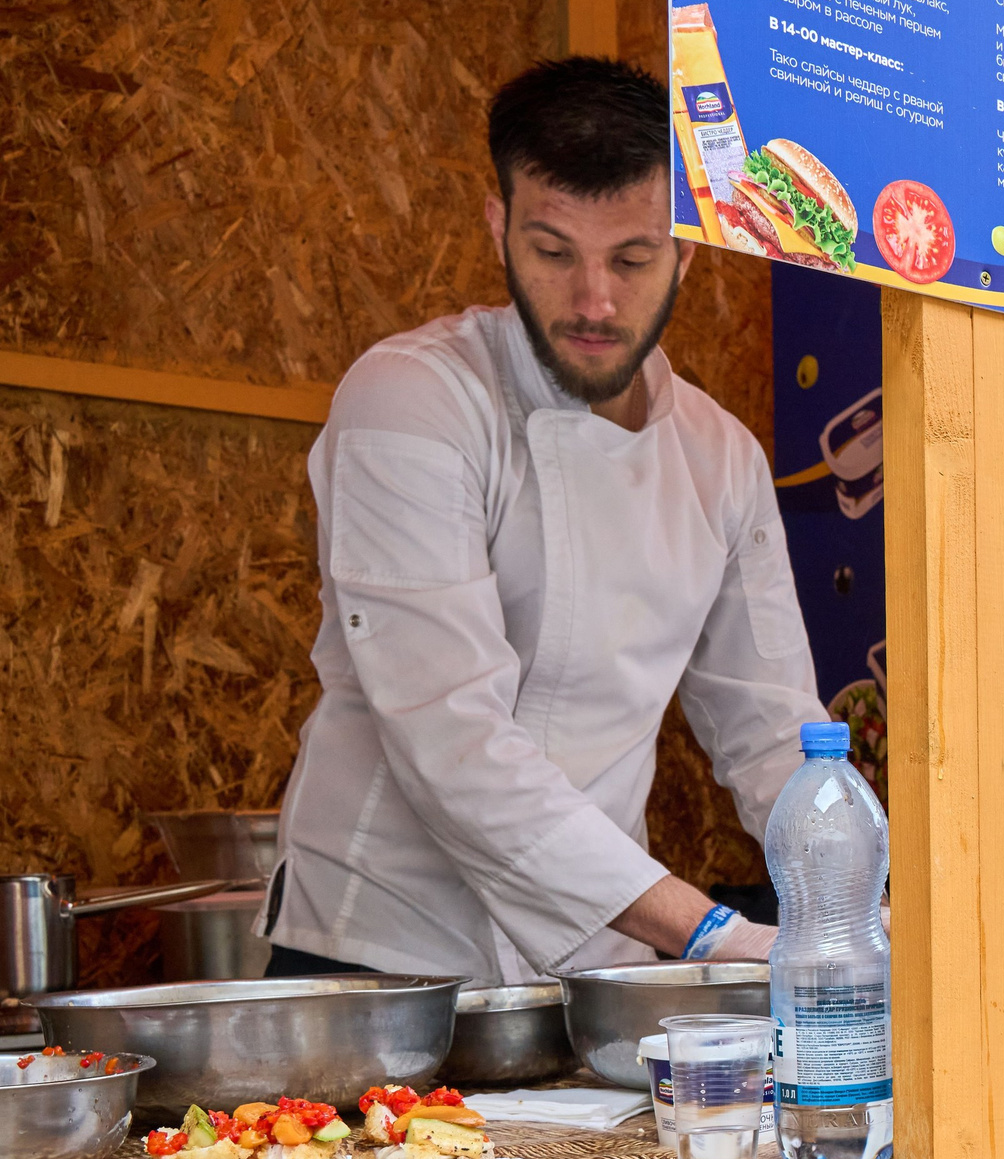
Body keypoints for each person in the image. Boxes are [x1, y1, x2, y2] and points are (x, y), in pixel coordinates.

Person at [263, 59, 824, 982]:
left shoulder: (723, 459)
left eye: (633, 259)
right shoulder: (412, 399)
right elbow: (453, 735)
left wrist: (855, 902)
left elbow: (771, 732)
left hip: (589, 973)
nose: (594, 301)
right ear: (500, 227)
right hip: (379, 961)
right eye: (554, 252)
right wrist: (709, 933)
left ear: (686, 249)